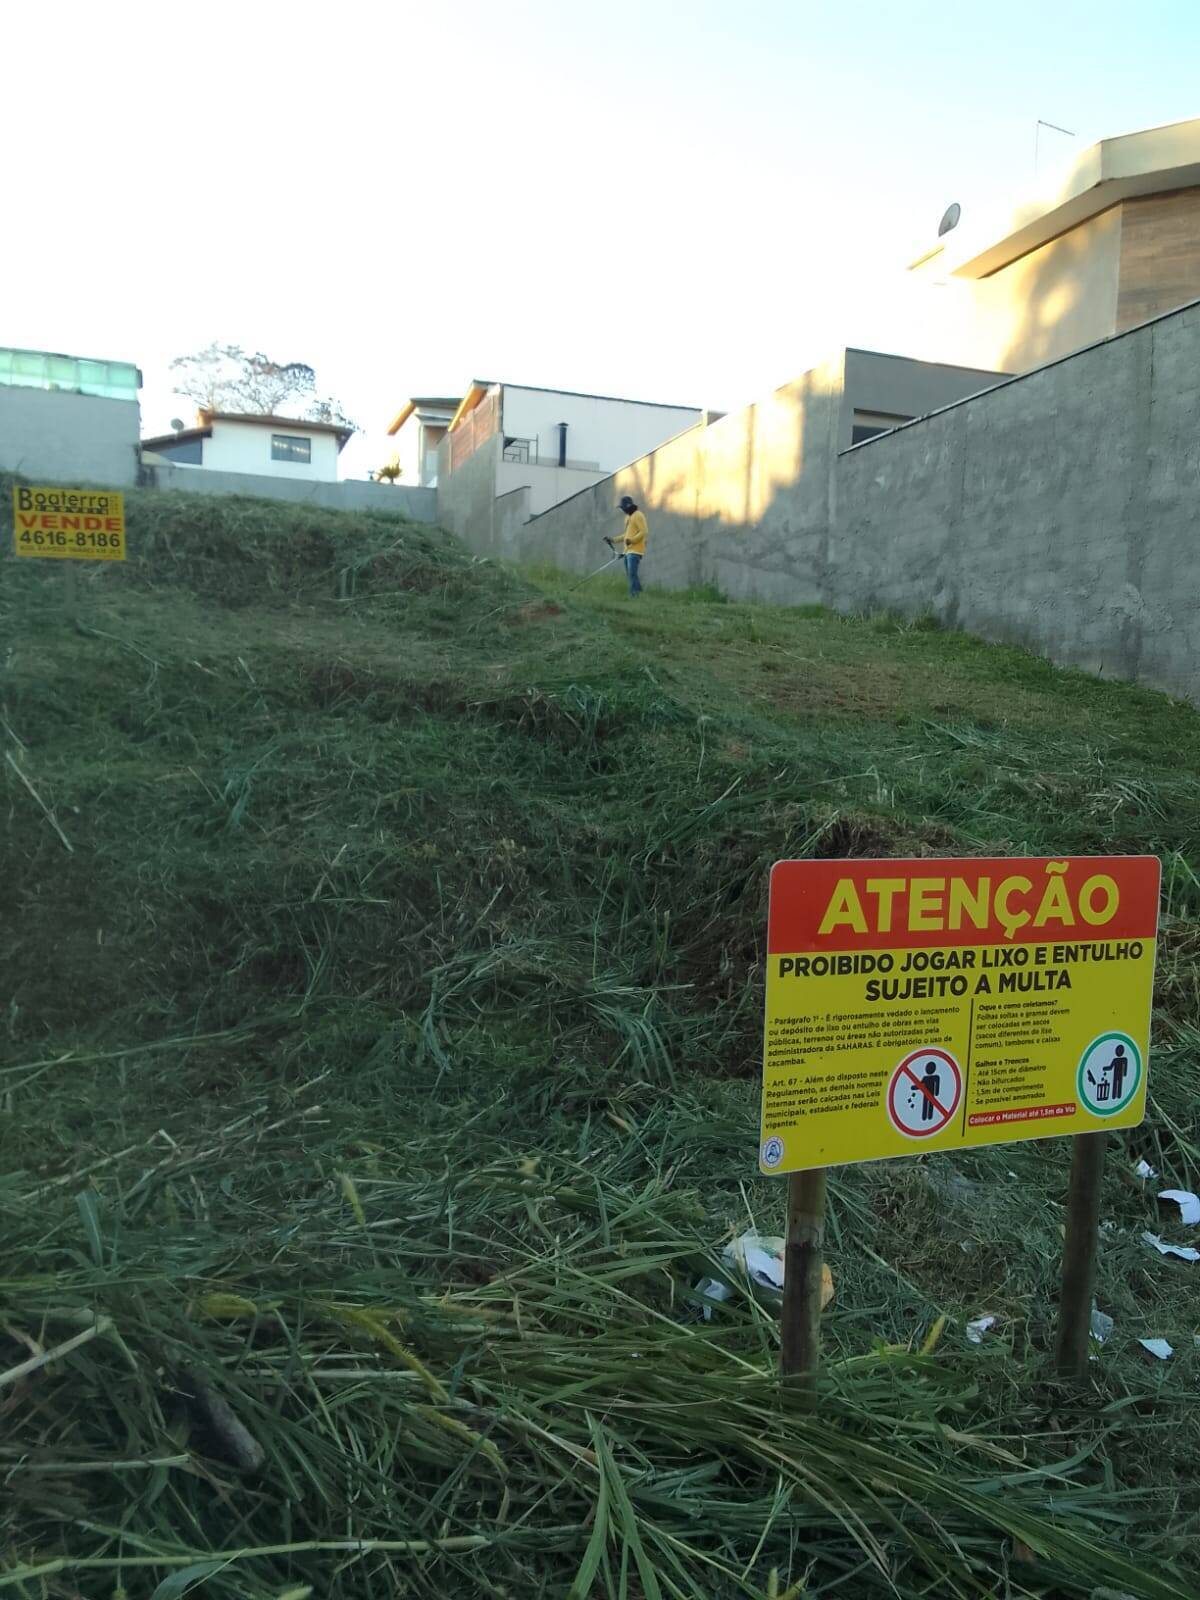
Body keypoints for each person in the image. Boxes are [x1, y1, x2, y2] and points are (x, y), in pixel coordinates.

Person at [617, 494, 648, 596]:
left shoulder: (638, 515)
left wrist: (632, 541)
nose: (622, 510)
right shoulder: (627, 518)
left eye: (623, 508)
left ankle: (634, 594)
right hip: (627, 551)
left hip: (635, 550)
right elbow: (626, 535)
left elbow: (643, 532)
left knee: (632, 573)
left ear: (628, 506)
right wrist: (613, 540)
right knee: (630, 574)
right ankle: (639, 591)